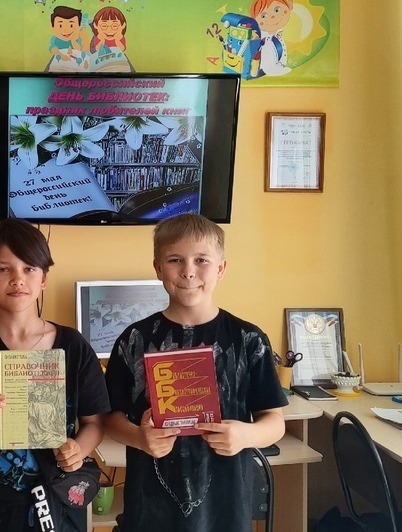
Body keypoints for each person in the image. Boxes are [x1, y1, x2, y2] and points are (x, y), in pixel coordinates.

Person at [104, 213, 287, 532]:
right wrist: (139, 438)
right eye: (175, 260)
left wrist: (245, 435)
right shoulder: (134, 340)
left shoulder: (248, 339)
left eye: (201, 260)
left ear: (221, 268)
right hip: (150, 510)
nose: (188, 271)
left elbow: (275, 421)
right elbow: (110, 418)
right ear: (158, 268)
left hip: (225, 510)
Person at [0, 219, 109, 532]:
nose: (17, 279)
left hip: (59, 504)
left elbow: (95, 423)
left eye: (29, 268)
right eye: (3, 269)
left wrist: (79, 450)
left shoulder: (73, 346)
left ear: (43, 278)